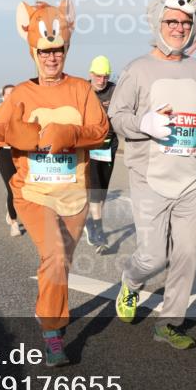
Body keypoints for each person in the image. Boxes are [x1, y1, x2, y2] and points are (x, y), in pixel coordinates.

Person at [108, 0, 196, 350]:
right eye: (172, 20)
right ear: (158, 20)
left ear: (195, 26)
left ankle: (169, 323)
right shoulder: (137, 69)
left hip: (189, 178)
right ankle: (131, 281)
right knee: (153, 257)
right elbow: (117, 117)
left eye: (185, 22)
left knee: (188, 256)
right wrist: (146, 123)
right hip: (149, 180)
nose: (179, 27)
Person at [0, 0, 109, 366]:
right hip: (32, 192)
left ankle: (47, 309)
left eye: (57, 50)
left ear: (66, 49)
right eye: (45, 51)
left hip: (72, 194)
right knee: (54, 253)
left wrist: (69, 133)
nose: (52, 57)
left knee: (60, 263)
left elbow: (101, 131)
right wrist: (16, 133)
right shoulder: (22, 94)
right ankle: (54, 334)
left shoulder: (82, 91)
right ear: (33, 52)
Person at [84, 55, 118, 251]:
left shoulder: (115, 90)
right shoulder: (84, 90)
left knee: (102, 192)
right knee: (95, 191)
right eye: (98, 76)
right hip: (90, 146)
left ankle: (93, 224)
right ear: (91, 74)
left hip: (110, 145)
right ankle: (99, 233)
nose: (101, 80)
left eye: (105, 76)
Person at [0, 85, 23, 237]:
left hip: (21, 154)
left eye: (14, 93)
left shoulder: (23, 111)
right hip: (5, 154)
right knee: (12, 189)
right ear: (3, 96)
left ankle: (10, 208)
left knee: (23, 189)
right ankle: (14, 222)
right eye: (8, 94)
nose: (11, 96)